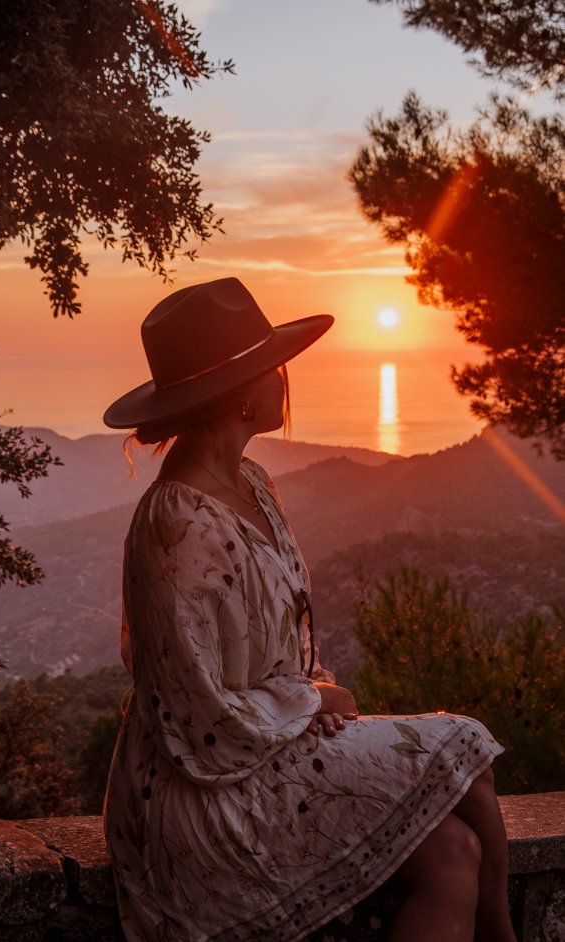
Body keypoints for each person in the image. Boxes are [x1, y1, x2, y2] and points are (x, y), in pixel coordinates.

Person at [102, 278, 516, 942]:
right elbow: (194, 710)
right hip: (205, 787)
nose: (285, 378)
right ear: (240, 388)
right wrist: (309, 704)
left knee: (455, 853)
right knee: (463, 745)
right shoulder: (175, 522)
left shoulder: (253, 486)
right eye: (273, 364)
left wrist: (309, 693)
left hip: (271, 745)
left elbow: (286, 639)